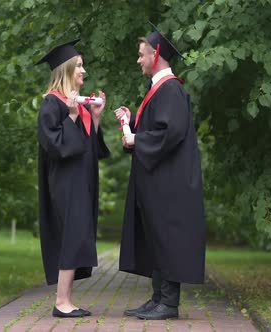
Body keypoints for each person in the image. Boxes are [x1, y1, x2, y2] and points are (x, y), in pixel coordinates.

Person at [114, 23, 206, 320]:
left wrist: (138, 138)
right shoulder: (159, 90)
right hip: (158, 182)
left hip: (170, 183)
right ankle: (157, 299)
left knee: (167, 238)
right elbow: (156, 133)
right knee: (156, 237)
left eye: (141, 55)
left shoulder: (171, 89)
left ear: (156, 54)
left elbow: (170, 133)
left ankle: (168, 303)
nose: (138, 60)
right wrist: (131, 127)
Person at [36, 39, 110, 318]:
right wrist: (69, 117)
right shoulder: (52, 105)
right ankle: (61, 301)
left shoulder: (77, 106)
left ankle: (66, 299)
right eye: (78, 65)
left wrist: (95, 117)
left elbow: (90, 147)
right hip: (64, 184)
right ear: (66, 71)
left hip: (82, 182)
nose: (84, 70)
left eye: (82, 65)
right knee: (71, 236)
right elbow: (55, 146)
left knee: (78, 235)